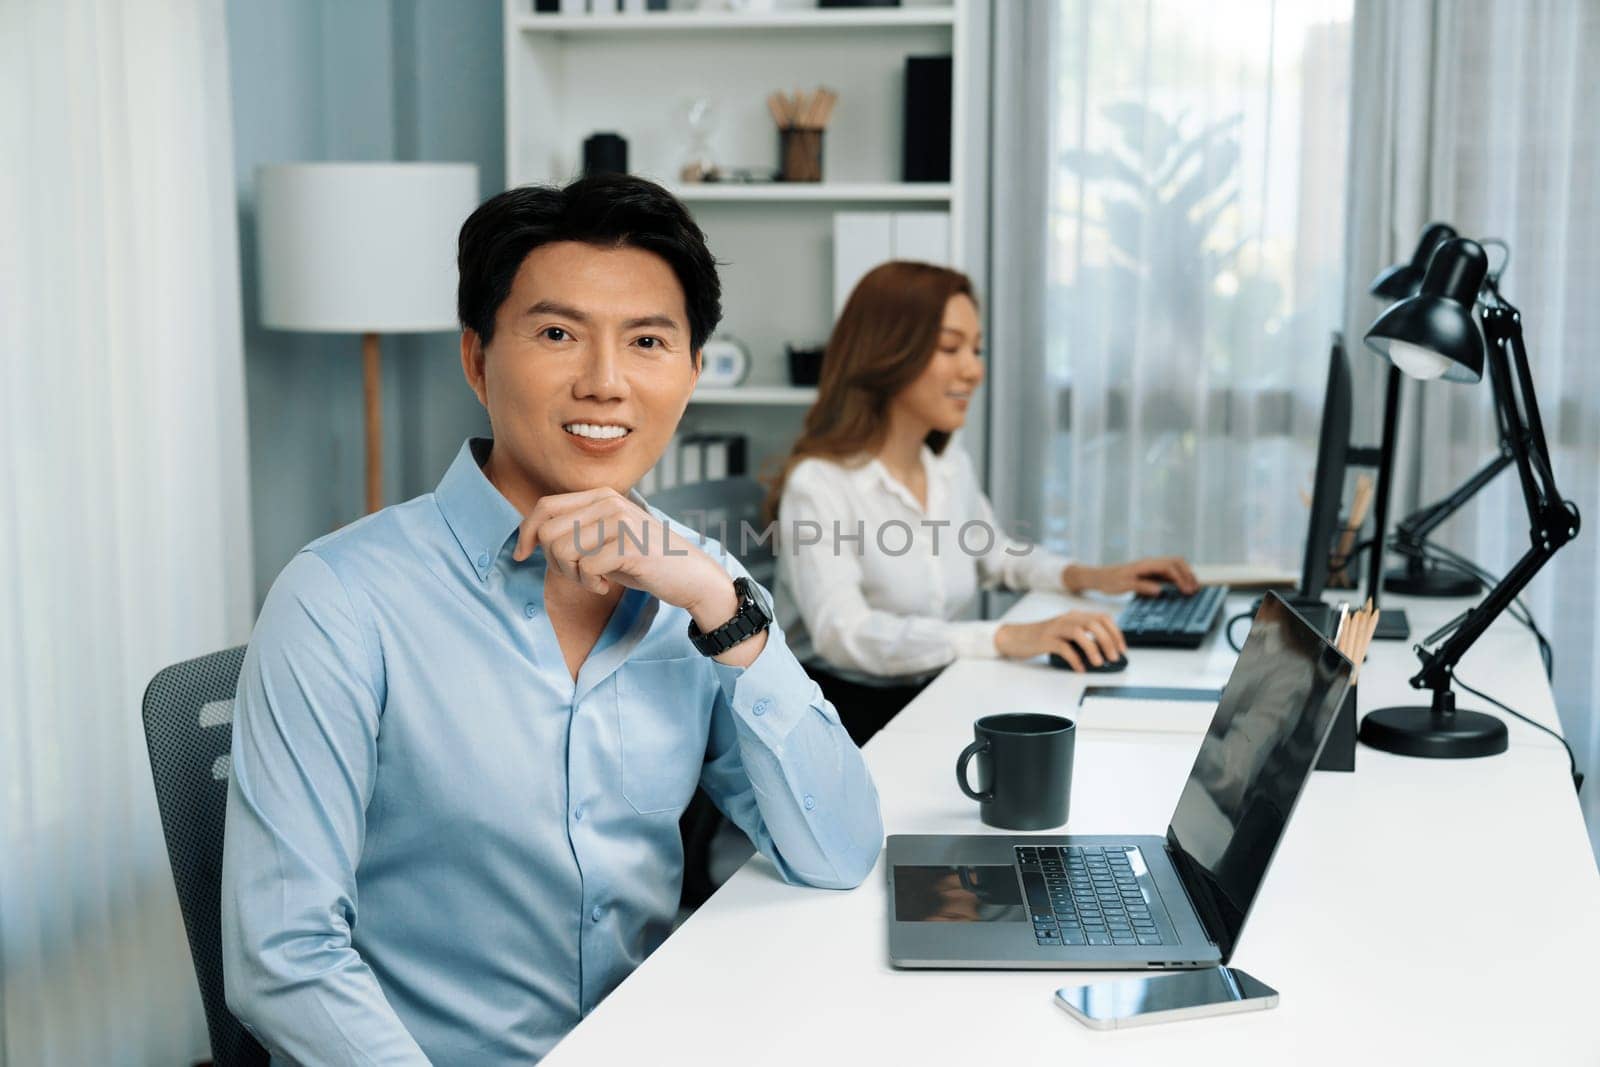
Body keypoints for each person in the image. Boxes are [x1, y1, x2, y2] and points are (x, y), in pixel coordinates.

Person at [221, 174, 883, 1064]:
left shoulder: (696, 586)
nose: (605, 382)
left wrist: (724, 609)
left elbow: (838, 850)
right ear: (478, 359)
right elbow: (284, 957)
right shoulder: (341, 601)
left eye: (647, 340)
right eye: (558, 333)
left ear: (691, 372)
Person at [770, 261, 1197, 744]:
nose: (974, 370)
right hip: (846, 718)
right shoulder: (819, 485)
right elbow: (843, 634)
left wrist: (1092, 577)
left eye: (976, 349)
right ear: (887, 353)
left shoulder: (948, 467)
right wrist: (1003, 638)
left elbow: (996, 556)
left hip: (936, 690)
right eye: (950, 348)